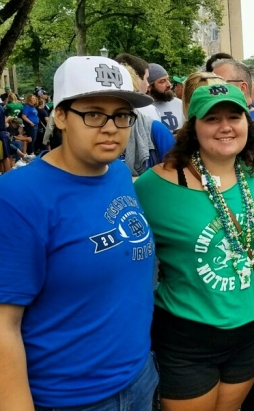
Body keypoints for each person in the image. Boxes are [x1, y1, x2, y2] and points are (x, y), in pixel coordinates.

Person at [0, 55, 158, 410]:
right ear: (60, 116)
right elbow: (3, 325)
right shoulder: (17, 197)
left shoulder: (119, 173)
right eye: (94, 114)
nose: (111, 128)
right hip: (69, 398)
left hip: (139, 377)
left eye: (121, 115)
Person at [134, 83, 254, 411]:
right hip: (187, 339)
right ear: (193, 126)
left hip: (248, 332)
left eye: (234, 117)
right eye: (212, 119)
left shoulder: (252, 174)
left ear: (247, 123)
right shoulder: (155, 185)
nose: (225, 127)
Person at [147, 63, 186, 132]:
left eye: (168, 79)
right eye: (162, 81)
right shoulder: (144, 109)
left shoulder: (179, 104)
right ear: (149, 87)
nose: (169, 84)